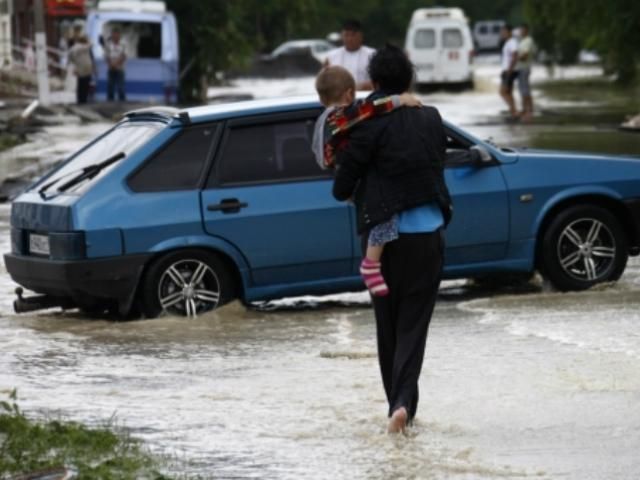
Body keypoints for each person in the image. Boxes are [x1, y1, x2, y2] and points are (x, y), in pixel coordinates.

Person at [332, 44, 452, 434]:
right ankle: (404, 409)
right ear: (409, 82)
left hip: (383, 244)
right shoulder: (432, 118)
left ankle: (397, 408)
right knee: (413, 329)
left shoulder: (366, 123)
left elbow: (341, 186)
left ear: (377, 82)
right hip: (427, 238)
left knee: (389, 328)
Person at [312, 65, 422, 296]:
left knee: (378, 215)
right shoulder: (341, 115)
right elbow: (372, 108)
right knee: (384, 214)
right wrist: (400, 100)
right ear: (350, 94)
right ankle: (371, 265)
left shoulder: (324, 119)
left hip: (342, 173)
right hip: (350, 172)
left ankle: (373, 260)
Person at [325, 19, 375, 90]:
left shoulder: (373, 55)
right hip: (339, 98)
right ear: (342, 36)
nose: (349, 39)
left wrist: (362, 86)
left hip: (365, 96)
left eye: (353, 35)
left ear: (361, 36)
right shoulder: (331, 56)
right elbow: (324, 81)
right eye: (346, 35)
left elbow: (380, 81)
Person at [516, 24, 536, 121]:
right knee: (523, 89)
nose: (521, 32)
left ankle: (528, 111)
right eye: (520, 30)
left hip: (524, 68)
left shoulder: (528, 41)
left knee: (525, 90)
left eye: (523, 30)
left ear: (526, 31)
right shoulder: (522, 41)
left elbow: (525, 55)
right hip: (521, 68)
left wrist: (515, 59)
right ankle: (526, 110)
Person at [499, 24, 519, 120]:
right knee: (508, 92)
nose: (502, 34)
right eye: (502, 32)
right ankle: (513, 112)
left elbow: (515, 56)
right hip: (507, 70)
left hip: (509, 71)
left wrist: (509, 70)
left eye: (504, 32)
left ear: (509, 32)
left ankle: (514, 111)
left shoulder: (512, 42)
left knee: (503, 92)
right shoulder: (507, 42)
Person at [68, 35, 95, 104]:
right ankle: (81, 100)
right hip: (82, 69)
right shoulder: (78, 47)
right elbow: (91, 44)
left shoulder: (82, 48)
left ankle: (83, 100)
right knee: (82, 85)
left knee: (84, 85)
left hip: (86, 69)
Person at [104, 27, 127, 101]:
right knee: (110, 86)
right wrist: (111, 64)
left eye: (117, 34)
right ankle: (110, 103)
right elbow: (106, 55)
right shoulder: (108, 44)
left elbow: (124, 55)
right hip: (111, 68)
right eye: (114, 34)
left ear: (119, 35)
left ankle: (122, 102)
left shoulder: (123, 44)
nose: (115, 36)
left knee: (121, 87)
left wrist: (116, 63)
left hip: (120, 68)